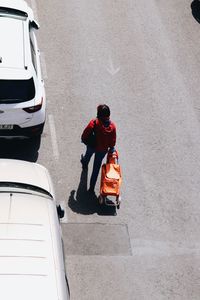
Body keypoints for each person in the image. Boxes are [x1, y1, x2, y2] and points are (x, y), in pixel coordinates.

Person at [81, 104, 116, 193]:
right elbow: (113, 140)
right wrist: (111, 148)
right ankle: (91, 188)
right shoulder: (112, 127)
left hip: (92, 146)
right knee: (96, 168)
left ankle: (85, 163)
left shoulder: (95, 123)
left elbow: (86, 132)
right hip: (102, 150)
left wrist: (84, 139)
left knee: (88, 155)